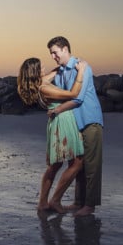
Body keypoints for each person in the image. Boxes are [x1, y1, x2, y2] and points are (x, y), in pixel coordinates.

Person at [17, 57, 88, 213]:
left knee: (55, 165)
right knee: (77, 162)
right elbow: (73, 93)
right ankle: (55, 200)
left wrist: (66, 63)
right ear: (35, 71)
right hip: (63, 121)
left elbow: (54, 73)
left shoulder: (40, 83)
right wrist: (81, 71)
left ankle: (43, 203)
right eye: (40, 66)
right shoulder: (44, 88)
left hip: (57, 121)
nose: (44, 67)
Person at [44, 36, 104, 217]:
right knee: (78, 163)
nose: (53, 56)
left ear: (65, 49)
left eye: (55, 52)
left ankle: (90, 205)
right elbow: (55, 90)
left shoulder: (82, 67)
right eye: (51, 54)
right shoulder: (61, 72)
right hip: (74, 124)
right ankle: (79, 201)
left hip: (90, 120)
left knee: (92, 165)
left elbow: (77, 99)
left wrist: (57, 111)